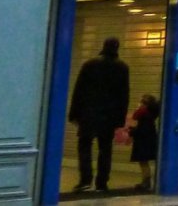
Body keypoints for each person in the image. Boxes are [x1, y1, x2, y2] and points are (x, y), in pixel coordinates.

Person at [68, 37, 130, 192]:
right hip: (109, 116)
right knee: (106, 149)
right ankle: (102, 182)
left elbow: (79, 90)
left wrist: (74, 114)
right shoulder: (122, 67)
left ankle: (85, 180)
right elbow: (124, 95)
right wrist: (120, 119)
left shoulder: (90, 64)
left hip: (88, 113)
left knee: (84, 146)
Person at [128, 94, 160, 192]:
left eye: (140, 102)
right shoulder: (149, 115)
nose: (138, 104)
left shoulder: (144, 115)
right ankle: (146, 181)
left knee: (144, 163)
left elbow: (143, 130)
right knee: (144, 163)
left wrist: (132, 132)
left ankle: (146, 182)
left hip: (143, 143)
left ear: (145, 104)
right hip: (146, 142)